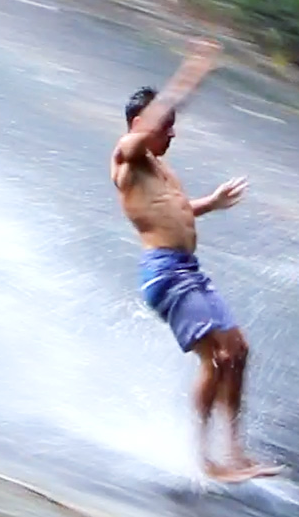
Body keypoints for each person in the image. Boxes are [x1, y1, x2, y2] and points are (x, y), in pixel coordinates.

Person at [111, 38, 283, 482]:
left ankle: (235, 452)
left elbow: (177, 212)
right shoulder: (127, 158)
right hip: (164, 274)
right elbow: (143, 131)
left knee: (239, 351)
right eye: (165, 126)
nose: (172, 133)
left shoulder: (161, 169)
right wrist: (195, 69)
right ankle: (203, 459)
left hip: (189, 272)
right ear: (139, 124)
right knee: (218, 357)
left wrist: (213, 202)